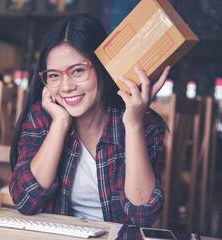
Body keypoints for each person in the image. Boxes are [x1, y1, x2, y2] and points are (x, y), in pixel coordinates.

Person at [9, 13, 170, 227]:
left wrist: (133, 125)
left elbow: (143, 215)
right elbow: (25, 201)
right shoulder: (43, 117)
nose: (66, 87)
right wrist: (59, 125)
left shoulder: (144, 123)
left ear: (103, 68)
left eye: (78, 71)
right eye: (54, 75)